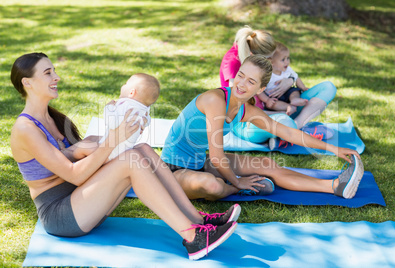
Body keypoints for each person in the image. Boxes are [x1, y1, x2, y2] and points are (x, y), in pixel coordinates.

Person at [9, 52, 240, 261]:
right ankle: (193, 238)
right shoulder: (25, 128)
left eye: (54, 71)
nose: (56, 77)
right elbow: (74, 175)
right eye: (48, 72)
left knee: (142, 149)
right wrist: (113, 140)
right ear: (27, 82)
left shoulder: (52, 117)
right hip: (62, 215)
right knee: (130, 161)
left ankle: (198, 221)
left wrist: (121, 134)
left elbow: (72, 156)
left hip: (84, 203)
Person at [161, 54, 364, 201]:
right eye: (240, 76)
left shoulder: (245, 110)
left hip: (200, 162)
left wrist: (334, 149)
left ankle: (334, 186)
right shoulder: (215, 100)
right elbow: (217, 156)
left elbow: (288, 132)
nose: (241, 84)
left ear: (260, 89)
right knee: (212, 185)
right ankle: (236, 187)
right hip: (173, 170)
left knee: (267, 165)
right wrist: (238, 181)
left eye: (250, 82)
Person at [220, 25, 337, 144]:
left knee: (328, 87)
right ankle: (292, 131)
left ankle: (294, 129)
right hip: (248, 122)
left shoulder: (254, 49)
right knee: (285, 121)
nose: (270, 61)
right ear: (253, 53)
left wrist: (290, 80)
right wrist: (280, 112)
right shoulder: (233, 63)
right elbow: (241, 109)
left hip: (275, 109)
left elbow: (284, 72)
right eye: (268, 58)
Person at [98, 73, 160, 161]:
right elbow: (147, 121)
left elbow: (112, 123)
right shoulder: (144, 110)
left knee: (84, 148)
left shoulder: (126, 106)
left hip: (110, 153)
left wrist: (108, 107)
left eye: (126, 84)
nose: (123, 85)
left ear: (131, 92)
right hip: (124, 152)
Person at [258, 42, 308, 116]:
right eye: (283, 60)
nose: (287, 62)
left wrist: (303, 87)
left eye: (288, 58)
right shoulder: (266, 74)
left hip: (287, 92)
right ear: (271, 62)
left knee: (294, 90)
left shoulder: (287, 69)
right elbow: (259, 90)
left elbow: (296, 77)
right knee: (272, 105)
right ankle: (288, 107)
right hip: (273, 97)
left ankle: (294, 100)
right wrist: (267, 100)